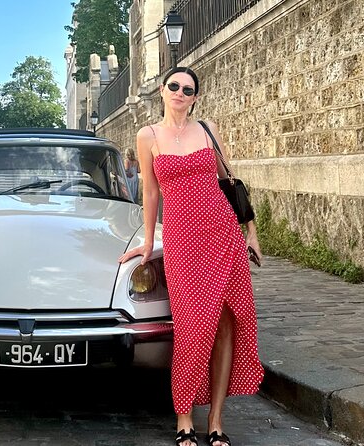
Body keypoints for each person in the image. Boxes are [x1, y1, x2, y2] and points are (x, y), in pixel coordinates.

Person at [118, 66, 264, 446]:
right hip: (182, 241)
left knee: (225, 325)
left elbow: (230, 182)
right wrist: (148, 244)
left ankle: (215, 421)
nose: (180, 92)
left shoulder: (207, 129)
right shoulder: (147, 135)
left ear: (196, 97)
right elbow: (149, 194)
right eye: (174, 86)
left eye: (188, 89)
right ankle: (184, 417)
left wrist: (251, 232)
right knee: (191, 328)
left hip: (223, 234)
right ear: (163, 92)